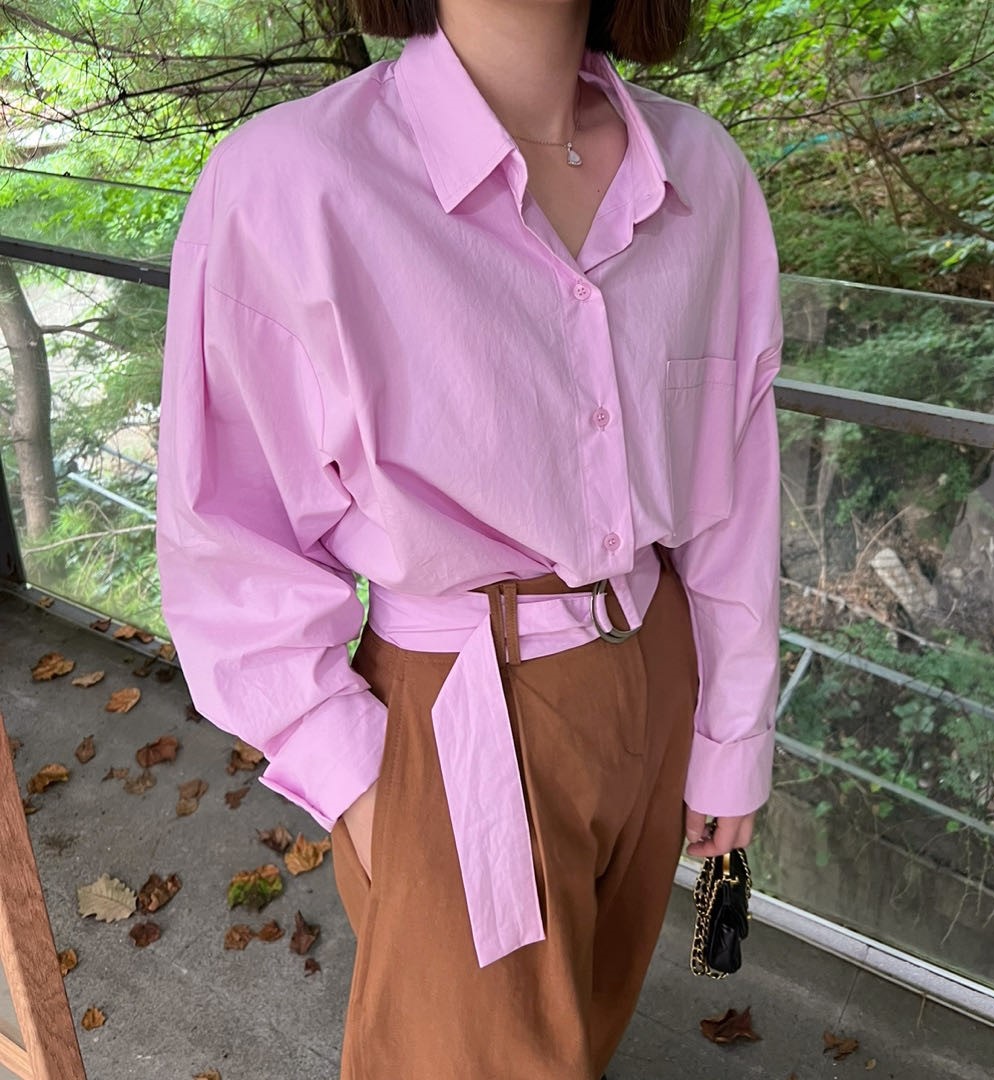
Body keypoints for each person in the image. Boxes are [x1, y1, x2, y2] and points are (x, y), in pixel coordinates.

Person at [154, 0, 783, 1076]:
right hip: (460, 713)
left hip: (659, 665)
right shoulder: (292, 182)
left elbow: (736, 488)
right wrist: (368, 789)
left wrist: (730, 740)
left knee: (589, 1033)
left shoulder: (703, 175)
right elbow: (229, 537)